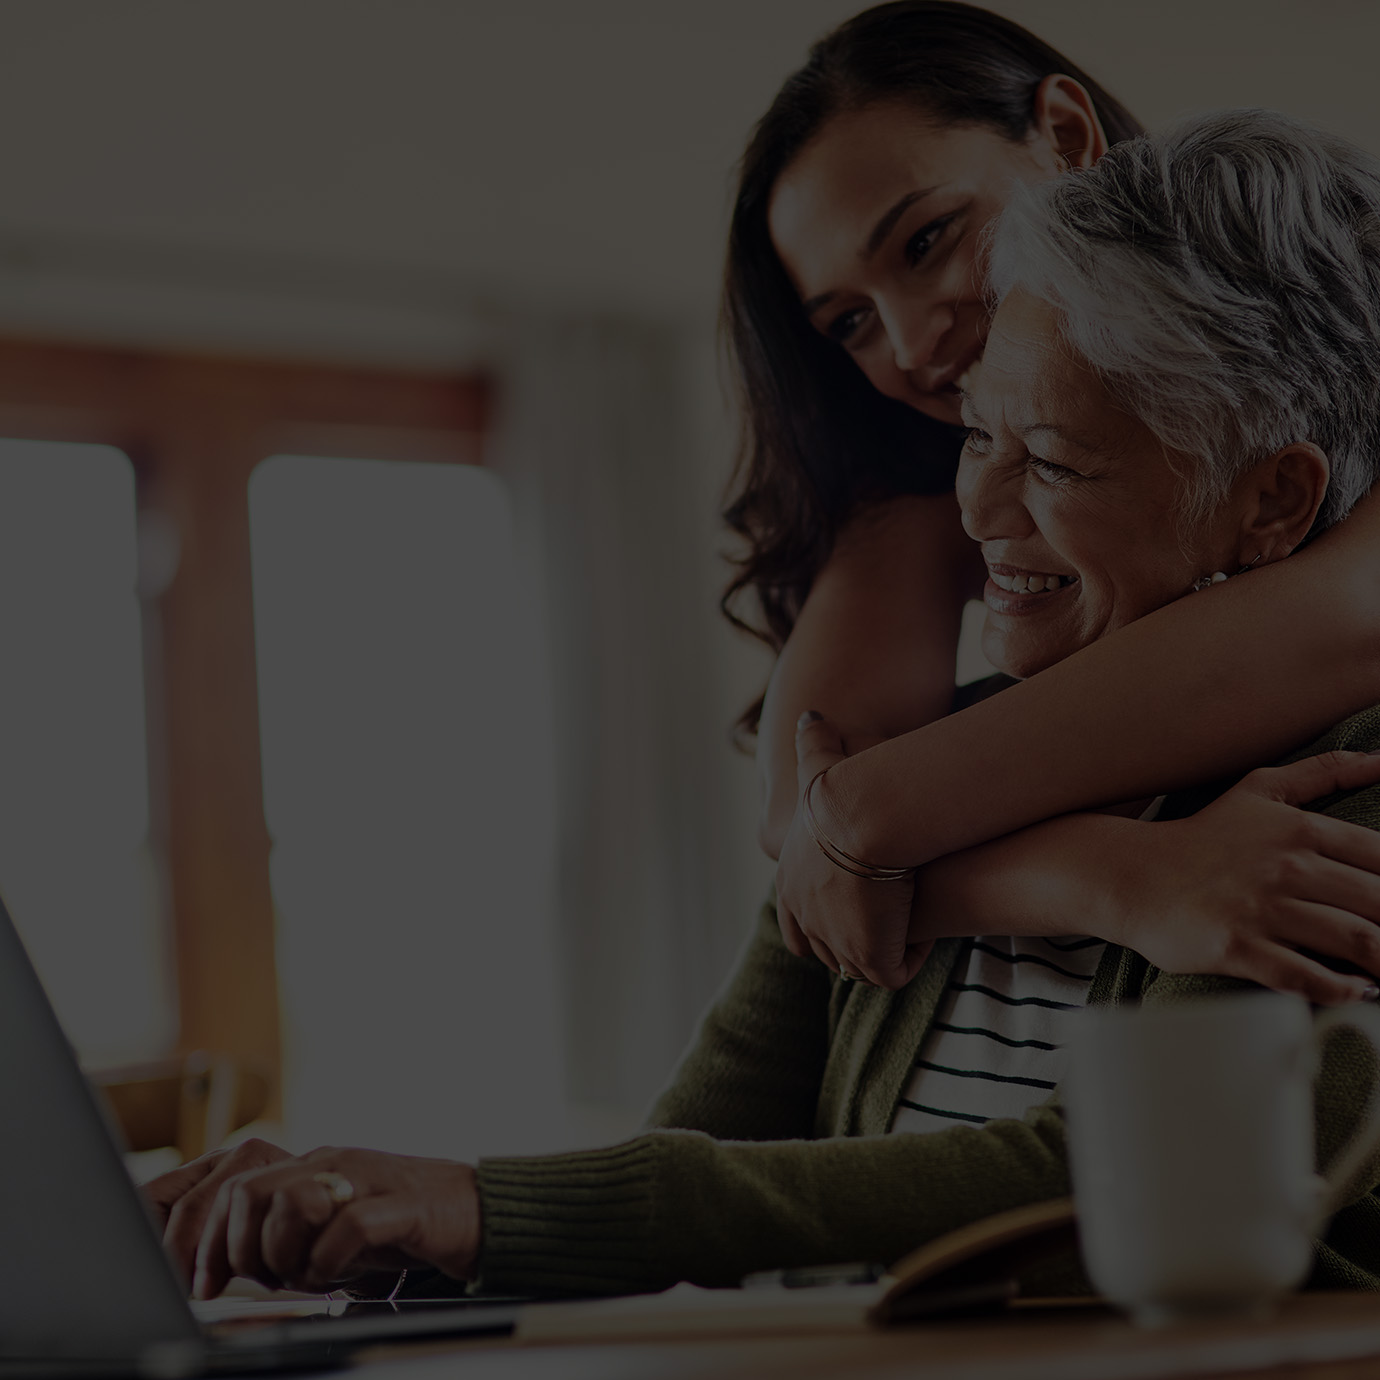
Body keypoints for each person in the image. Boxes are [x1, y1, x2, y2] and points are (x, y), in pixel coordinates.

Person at [149, 107, 1380, 1301]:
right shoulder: (931, 759)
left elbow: (1109, 1193)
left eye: (1054, 461)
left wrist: (484, 1207)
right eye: (975, 438)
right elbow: (704, 1138)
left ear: (1271, 502)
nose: (983, 513)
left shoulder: (1347, 783)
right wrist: (379, 1218)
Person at [724, 1, 1380, 997]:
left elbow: (1348, 616)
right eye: (851, 321)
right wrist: (1112, 879)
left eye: (926, 241)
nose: (910, 347)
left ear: (1067, 137)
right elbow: (805, 819)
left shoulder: (1328, 307)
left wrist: (873, 821)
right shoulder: (916, 486)